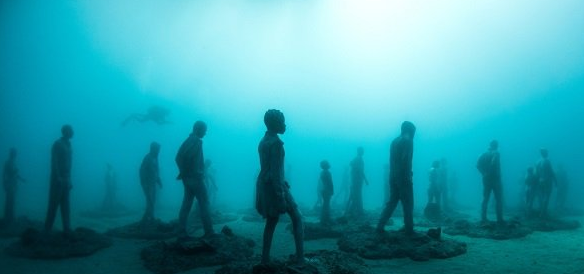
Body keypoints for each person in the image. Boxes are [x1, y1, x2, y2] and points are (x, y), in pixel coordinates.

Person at [255, 109, 304, 265]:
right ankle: (300, 257)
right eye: (282, 121)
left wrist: (282, 181)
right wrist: (281, 195)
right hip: (275, 186)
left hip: (265, 184)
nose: (285, 124)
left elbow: (268, 169)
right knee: (297, 217)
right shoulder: (275, 143)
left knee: (271, 221)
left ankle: (265, 259)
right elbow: (275, 172)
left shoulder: (263, 141)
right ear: (275, 124)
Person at [376, 121, 416, 235]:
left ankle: (380, 226)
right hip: (403, 177)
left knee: (392, 201)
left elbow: (392, 161)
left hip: (392, 175)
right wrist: (408, 176)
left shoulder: (394, 141)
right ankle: (409, 229)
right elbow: (405, 160)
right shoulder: (408, 141)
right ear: (410, 130)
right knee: (408, 203)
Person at [176, 121, 214, 238]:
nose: (205, 133)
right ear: (198, 129)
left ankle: (181, 231)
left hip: (188, 179)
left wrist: (183, 173)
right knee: (204, 203)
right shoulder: (195, 142)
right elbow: (185, 157)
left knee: (186, 204)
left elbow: (178, 158)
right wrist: (193, 172)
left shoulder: (188, 141)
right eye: (204, 130)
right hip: (195, 179)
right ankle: (209, 232)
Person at [45, 125, 74, 233]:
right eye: (71, 130)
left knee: (66, 205)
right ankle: (47, 230)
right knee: (53, 205)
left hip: (66, 179)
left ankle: (67, 228)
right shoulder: (58, 144)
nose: (73, 132)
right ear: (65, 132)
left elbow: (70, 164)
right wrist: (57, 177)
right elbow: (54, 162)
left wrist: (69, 179)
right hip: (58, 179)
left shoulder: (69, 146)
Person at [476, 140, 504, 224]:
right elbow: (494, 162)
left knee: (485, 198)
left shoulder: (483, 154)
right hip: (495, 179)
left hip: (486, 179)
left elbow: (477, 165)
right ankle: (499, 219)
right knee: (498, 199)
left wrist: (484, 173)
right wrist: (491, 173)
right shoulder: (496, 153)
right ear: (496, 145)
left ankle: (483, 218)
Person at [140, 142, 162, 222]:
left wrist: (158, 180)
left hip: (153, 183)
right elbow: (142, 171)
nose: (158, 151)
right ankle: (150, 218)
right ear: (153, 149)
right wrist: (144, 183)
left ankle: (147, 217)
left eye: (159, 150)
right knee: (150, 200)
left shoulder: (155, 158)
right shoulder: (147, 158)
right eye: (157, 149)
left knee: (152, 200)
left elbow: (155, 171)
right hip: (147, 184)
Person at [2, 148, 25, 224]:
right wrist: (5, 184)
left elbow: (16, 174)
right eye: (13, 153)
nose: (15, 155)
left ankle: (11, 217)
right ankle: (7, 218)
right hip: (9, 184)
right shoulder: (7, 163)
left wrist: (22, 179)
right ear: (11, 154)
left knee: (12, 201)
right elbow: (5, 174)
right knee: (9, 201)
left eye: (15, 153)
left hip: (13, 185)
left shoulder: (13, 163)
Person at [345, 147, 369, 217]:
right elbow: (360, 170)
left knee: (356, 196)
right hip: (357, 180)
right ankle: (358, 211)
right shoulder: (359, 159)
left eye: (363, 151)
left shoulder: (357, 159)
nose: (363, 152)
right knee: (357, 196)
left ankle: (353, 211)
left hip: (356, 180)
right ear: (359, 151)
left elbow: (358, 169)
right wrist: (365, 179)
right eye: (362, 151)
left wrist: (365, 179)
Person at [536, 148, 556, 218]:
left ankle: (541, 211)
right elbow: (551, 172)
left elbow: (536, 174)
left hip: (540, 181)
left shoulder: (537, 162)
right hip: (547, 181)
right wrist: (555, 181)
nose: (548, 153)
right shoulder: (547, 161)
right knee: (546, 196)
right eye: (546, 152)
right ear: (544, 153)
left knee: (541, 197)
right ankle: (543, 213)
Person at [319, 160, 334, 225]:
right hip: (327, 190)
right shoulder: (327, 173)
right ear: (326, 165)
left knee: (325, 205)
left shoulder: (322, 173)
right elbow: (330, 182)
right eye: (327, 164)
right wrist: (332, 190)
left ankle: (324, 219)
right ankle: (326, 219)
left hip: (324, 190)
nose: (329, 164)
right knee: (326, 205)